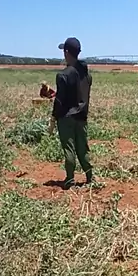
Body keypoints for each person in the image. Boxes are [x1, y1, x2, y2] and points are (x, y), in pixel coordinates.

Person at [49, 37, 93, 190]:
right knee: (83, 148)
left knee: (69, 149)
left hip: (66, 118)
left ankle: (70, 179)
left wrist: (54, 116)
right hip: (82, 117)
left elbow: (61, 101)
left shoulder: (63, 75)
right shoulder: (87, 75)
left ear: (66, 52)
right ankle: (90, 178)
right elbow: (78, 95)